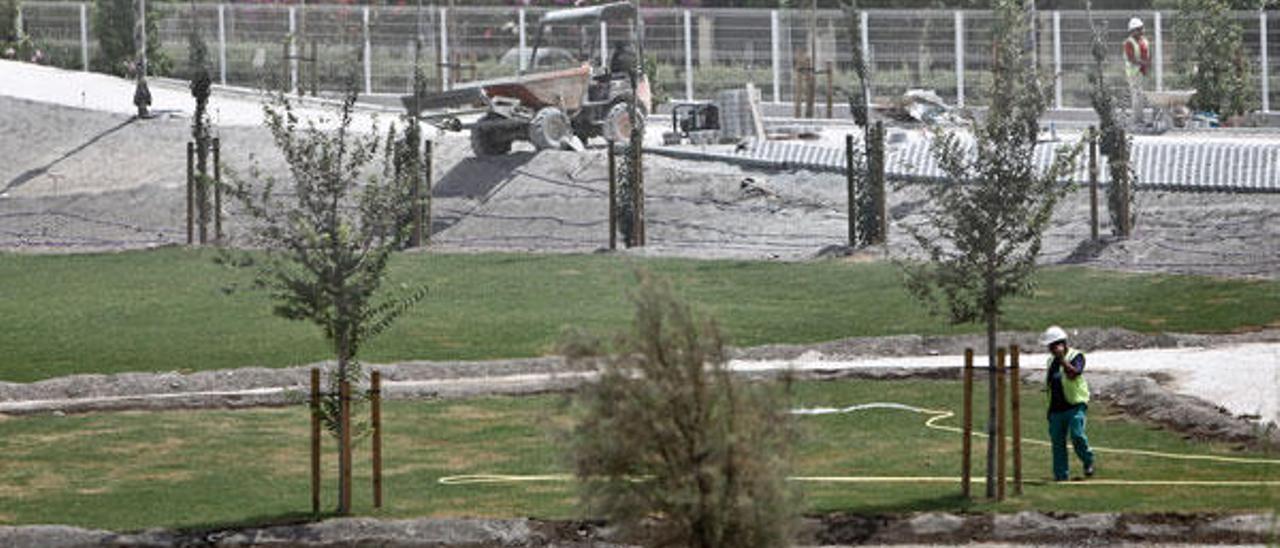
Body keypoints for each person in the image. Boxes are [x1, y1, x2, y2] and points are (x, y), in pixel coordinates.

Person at [1040, 325, 1096, 481]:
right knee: (1057, 443)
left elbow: (1073, 374)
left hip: (1075, 405)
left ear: (1062, 343)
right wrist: (1049, 410)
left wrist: (1062, 359)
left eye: (1052, 346)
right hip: (1056, 410)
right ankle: (1061, 476)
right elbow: (1051, 384)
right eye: (1049, 347)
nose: (1050, 350)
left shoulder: (1077, 356)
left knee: (1077, 435)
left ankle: (1088, 460)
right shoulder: (1050, 361)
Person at [1123, 17, 1151, 128]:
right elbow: (1130, 58)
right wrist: (1143, 63)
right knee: (1136, 96)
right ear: (1132, 31)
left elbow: (1148, 54)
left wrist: (1147, 65)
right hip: (1134, 73)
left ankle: (1140, 120)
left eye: (1141, 28)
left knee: (1140, 96)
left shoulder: (1144, 41)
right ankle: (1137, 121)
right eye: (1138, 29)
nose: (1141, 31)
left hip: (1142, 72)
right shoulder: (1129, 42)